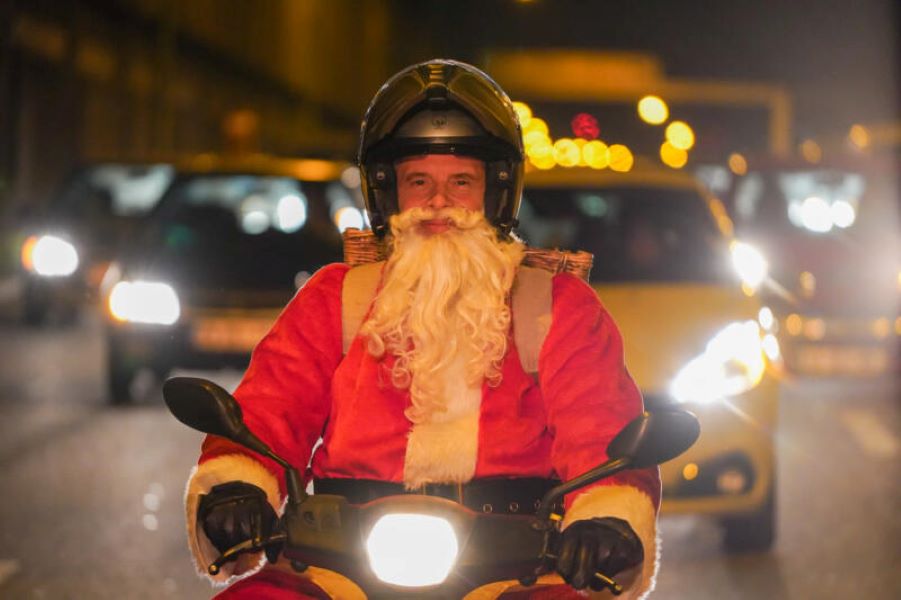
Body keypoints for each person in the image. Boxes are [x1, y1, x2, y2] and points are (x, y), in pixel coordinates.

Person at [183, 59, 661, 599]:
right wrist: (237, 486)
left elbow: (601, 427)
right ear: (387, 192)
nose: (438, 202)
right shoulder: (335, 297)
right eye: (419, 182)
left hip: (519, 565)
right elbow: (271, 407)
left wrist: (608, 517)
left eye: (461, 181)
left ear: (496, 191)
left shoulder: (558, 305)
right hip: (338, 558)